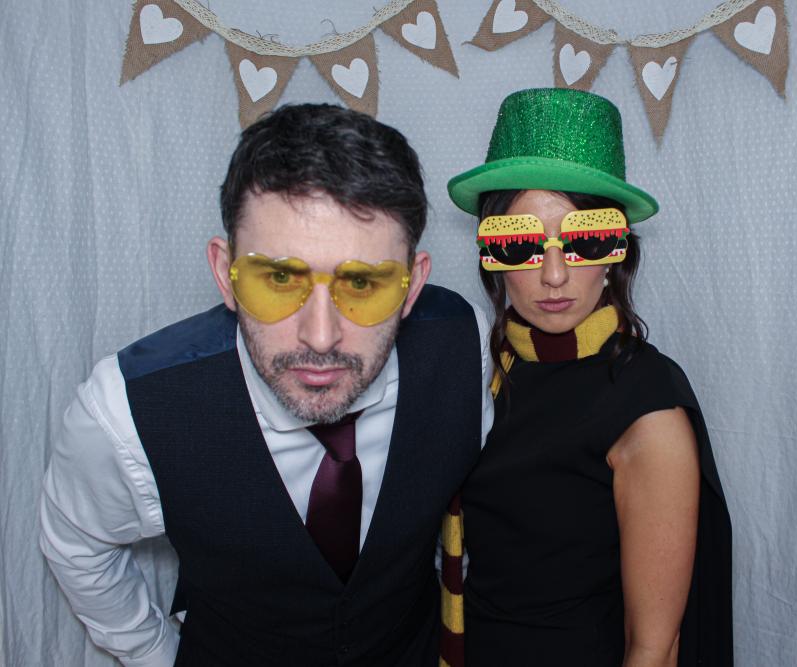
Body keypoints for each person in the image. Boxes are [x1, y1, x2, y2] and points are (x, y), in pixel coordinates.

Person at [40, 103, 493, 666]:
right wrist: (155, 654)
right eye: (279, 277)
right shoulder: (125, 410)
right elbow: (76, 545)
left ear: (413, 285)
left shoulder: (462, 344)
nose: (320, 337)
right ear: (224, 273)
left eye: (362, 283)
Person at [445, 88, 733, 665]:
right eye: (519, 244)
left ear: (617, 254)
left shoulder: (644, 404)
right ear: (490, 256)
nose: (554, 275)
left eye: (585, 240)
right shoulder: (480, 371)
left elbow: (654, 647)